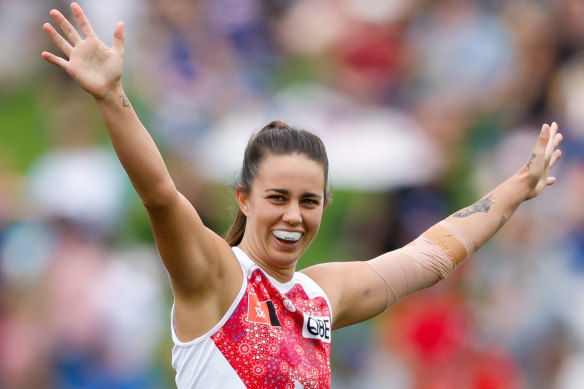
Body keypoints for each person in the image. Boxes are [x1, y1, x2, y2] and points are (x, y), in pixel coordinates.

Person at [41, 3, 563, 389]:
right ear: (244, 199)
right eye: (278, 197)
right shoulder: (217, 278)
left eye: (309, 201)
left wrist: (518, 188)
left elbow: (431, 254)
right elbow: (160, 194)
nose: (294, 215)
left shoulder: (320, 295)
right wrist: (112, 96)